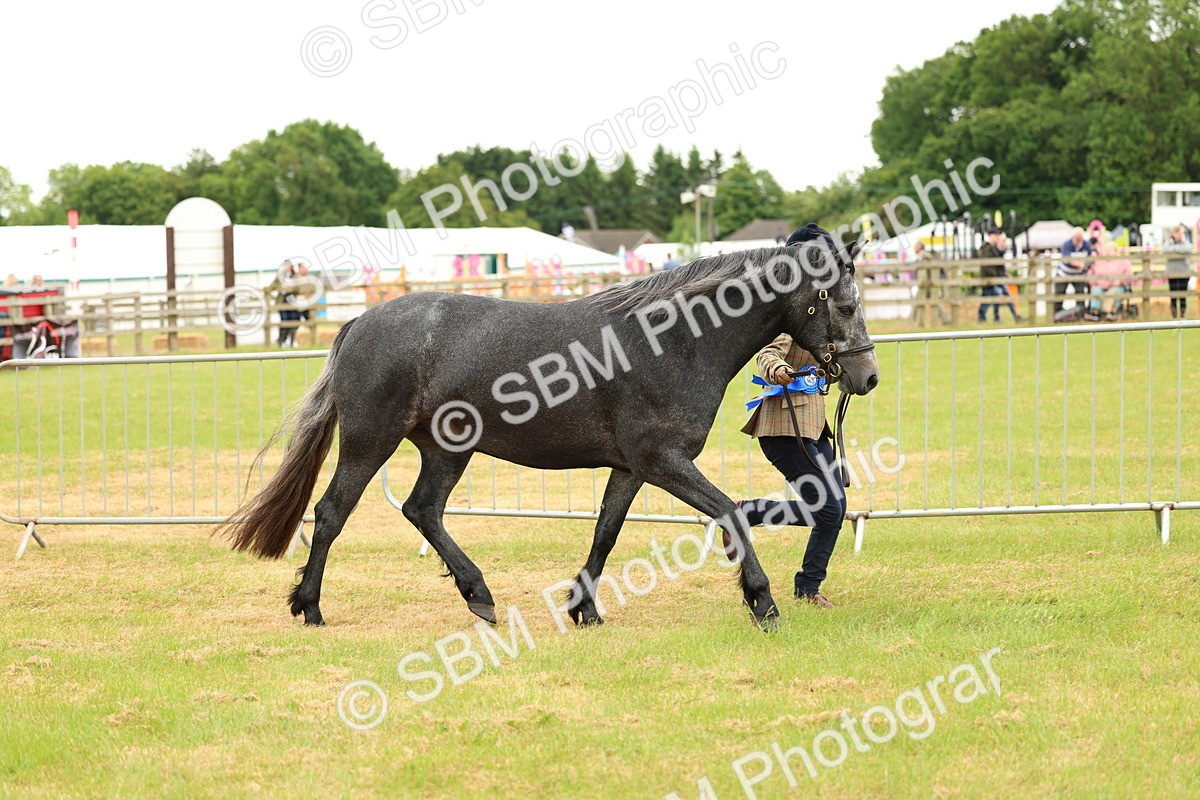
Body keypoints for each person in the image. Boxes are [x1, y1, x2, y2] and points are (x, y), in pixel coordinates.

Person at [734, 224, 848, 609]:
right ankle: (749, 513)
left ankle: (807, 586)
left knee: (835, 509)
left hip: (813, 425)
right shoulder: (789, 311)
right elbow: (767, 353)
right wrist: (778, 369)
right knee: (828, 508)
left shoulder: (820, 308)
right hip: (783, 427)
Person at [977, 228, 1023, 322]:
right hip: (990, 279)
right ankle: (988, 317)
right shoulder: (987, 248)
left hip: (996, 278)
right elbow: (987, 265)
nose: (997, 237)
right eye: (996, 235)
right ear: (991, 236)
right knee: (990, 299)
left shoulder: (993, 248)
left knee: (998, 297)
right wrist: (994, 275)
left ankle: (1012, 316)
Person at [1088, 242, 1133, 320]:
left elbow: (1129, 274)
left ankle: (1112, 313)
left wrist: (1121, 281)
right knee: (1096, 291)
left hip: (1117, 286)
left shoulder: (1124, 261)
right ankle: (1095, 313)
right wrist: (1093, 284)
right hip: (1101, 286)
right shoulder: (1099, 262)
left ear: (1116, 251)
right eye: (1106, 250)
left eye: (1110, 250)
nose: (1107, 252)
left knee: (1114, 291)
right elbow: (1091, 273)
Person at [1056, 227, 1094, 316]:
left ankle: (1080, 313)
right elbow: (1067, 259)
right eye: (1077, 238)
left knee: (1080, 294)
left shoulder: (1086, 244)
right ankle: (1057, 314)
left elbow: (1091, 254)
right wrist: (1080, 264)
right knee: (1059, 294)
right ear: (1073, 237)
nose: (1079, 240)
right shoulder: (1066, 244)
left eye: (1080, 237)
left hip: (1079, 274)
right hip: (1064, 274)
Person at [266, 260, 302, 348]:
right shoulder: (280, 277)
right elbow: (271, 286)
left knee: (294, 321)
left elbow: (298, 288)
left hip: (292, 302)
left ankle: (292, 341)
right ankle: (281, 340)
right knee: (284, 322)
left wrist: (289, 288)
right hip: (282, 302)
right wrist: (280, 287)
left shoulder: (295, 276)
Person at [1164, 225, 1193, 319]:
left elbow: (1188, 249)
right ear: (1175, 233)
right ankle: (1174, 317)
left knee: (1182, 295)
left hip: (1184, 273)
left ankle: (1183, 317)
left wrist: (1174, 248)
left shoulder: (1185, 242)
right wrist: (1177, 249)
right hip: (1172, 273)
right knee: (1173, 295)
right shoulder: (1168, 242)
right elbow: (1165, 250)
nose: (1182, 235)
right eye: (1180, 233)